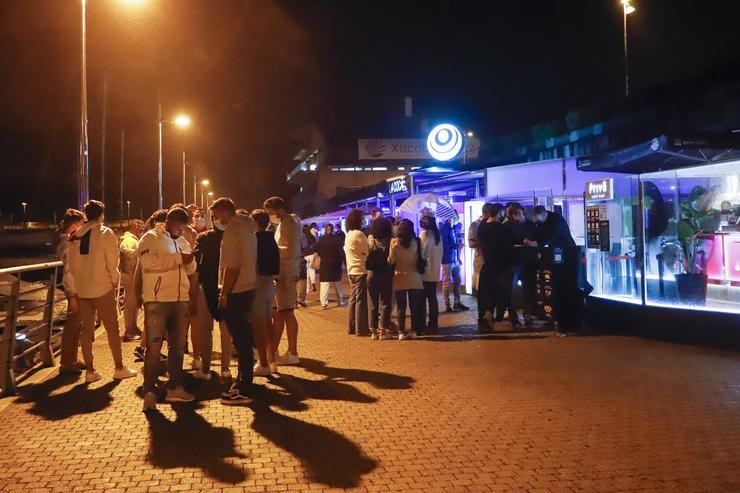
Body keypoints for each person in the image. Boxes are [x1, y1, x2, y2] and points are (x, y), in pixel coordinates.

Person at [64, 200, 137, 383]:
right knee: (113, 329)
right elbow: (112, 262)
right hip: (102, 288)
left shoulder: (73, 237)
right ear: (102, 214)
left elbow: (70, 268)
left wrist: (74, 290)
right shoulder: (105, 232)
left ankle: (90, 371)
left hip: (82, 290)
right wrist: (114, 281)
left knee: (86, 331)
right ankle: (119, 367)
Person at [138, 207, 198, 411]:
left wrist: (190, 263)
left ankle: (175, 387)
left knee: (178, 347)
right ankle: (150, 392)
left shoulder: (183, 241)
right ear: (169, 222)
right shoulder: (150, 238)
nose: (182, 230)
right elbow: (147, 262)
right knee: (154, 349)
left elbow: (190, 268)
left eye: (185, 226)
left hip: (180, 300)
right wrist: (179, 259)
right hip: (157, 300)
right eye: (180, 226)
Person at [210, 197, 258, 405]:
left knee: (240, 339)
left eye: (216, 214)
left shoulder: (232, 231)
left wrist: (224, 293)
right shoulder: (248, 228)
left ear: (224, 211)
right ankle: (245, 381)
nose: (215, 219)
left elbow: (232, 266)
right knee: (244, 338)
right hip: (249, 287)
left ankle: (244, 386)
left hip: (237, 290)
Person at [190, 217, 234, 381]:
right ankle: (226, 369)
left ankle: (206, 369)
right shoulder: (234, 237)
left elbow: (195, 265)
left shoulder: (204, 237)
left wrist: (193, 290)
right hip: (228, 289)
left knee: (205, 331)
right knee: (226, 332)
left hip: (206, 288)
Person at [528, 205, 580, 335]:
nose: (536, 221)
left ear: (543, 214)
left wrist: (536, 243)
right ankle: (555, 318)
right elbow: (540, 236)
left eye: (537, 218)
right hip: (555, 256)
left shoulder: (556, 220)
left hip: (566, 255)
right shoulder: (544, 222)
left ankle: (564, 321)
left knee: (563, 289)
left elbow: (549, 237)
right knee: (556, 288)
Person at [263, 196, 302, 366]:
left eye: (270, 213)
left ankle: (292, 352)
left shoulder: (289, 223)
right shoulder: (285, 223)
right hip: (282, 273)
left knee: (286, 312)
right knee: (279, 314)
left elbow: (290, 249)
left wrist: (272, 249)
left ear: (278, 209)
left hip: (285, 273)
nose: (270, 216)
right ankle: (274, 352)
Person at [134, 209, 168, 362]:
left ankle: (143, 348)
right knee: (157, 323)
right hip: (158, 289)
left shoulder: (146, 238)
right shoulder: (157, 239)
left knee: (152, 322)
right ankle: (149, 353)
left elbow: (139, 268)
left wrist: (137, 291)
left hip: (150, 289)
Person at [250, 209, 280, 376]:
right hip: (270, 282)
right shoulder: (271, 238)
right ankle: (272, 359)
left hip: (258, 282)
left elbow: (253, 263)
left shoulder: (255, 239)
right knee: (268, 323)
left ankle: (262, 363)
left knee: (258, 324)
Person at [476, 203, 514, 332]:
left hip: (487, 265)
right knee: (499, 294)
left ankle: (484, 318)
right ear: (499, 213)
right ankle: (495, 319)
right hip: (500, 267)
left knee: (485, 294)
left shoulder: (482, 226)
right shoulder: (502, 230)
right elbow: (509, 248)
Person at [57, 208, 86, 374]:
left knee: (76, 325)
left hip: (76, 288)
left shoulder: (69, 241)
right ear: (75, 224)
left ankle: (73, 358)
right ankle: (66, 363)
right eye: (82, 224)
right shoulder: (68, 242)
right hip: (73, 289)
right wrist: (72, 294)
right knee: (72, 326)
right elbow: (69, 271)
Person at [388, 219, 424, 340]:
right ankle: (414, 331)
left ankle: (401, 332)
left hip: (399, 277)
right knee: (414, 307)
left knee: (401, 307)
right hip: (414, 277)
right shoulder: (417, 242)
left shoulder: (394, 242)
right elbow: (422, 258)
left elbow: (391, 260)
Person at [505, 203, 537, 328]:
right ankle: (514, 317)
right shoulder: (508, 225)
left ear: (522, 212)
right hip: (513, 262)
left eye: (517, 214)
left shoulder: (530, 225)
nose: (516, 217)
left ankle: (528, 315)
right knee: (511, 291)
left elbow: (536, 240)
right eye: (513, 214)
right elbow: (507, 242)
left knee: (529, 289)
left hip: (528, 261)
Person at [367, 215, 394, 340]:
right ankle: (383, 329)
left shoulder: (370, 239)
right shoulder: (390, 241)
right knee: (385, 302)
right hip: (386, 273)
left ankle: (373, 331)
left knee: (373, 302)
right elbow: (391, 259)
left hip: (372, 274)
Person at [344, 209, 369, 336]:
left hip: (351, 270)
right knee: (361, 300)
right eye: (363, 218)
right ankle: (362, 329)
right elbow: (367, 250)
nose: (364, 220)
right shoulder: (359, 234)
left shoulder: (349, 234)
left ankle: (352, 327)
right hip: (360, 270)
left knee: (353, 299)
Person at [120, 219, 143, 341]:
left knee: (134, 302)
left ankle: (133, 327)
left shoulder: (132, 239)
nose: (141, 229)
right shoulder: (129, 240)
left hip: (132, 274)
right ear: (133, 227)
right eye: (139, 227)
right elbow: (127, 253)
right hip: (130, 274)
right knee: (131, 302)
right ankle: (129, 330)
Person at [419, 214, 443, 334]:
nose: (422, 220)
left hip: (424, 274)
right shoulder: (438, 236)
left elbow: (421, 253)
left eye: (424, 218)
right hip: (434, 273)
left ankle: (423, 325)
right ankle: (433, 324)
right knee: (433, 300)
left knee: (422, 301)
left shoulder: (424, 235)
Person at [440, 218, 467, 312]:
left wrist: (458, 256)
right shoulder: (444, 230)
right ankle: (447, 304)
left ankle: (457, 302)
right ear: (449, 218)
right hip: (447, 259)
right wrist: (457, 246)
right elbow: (445, 246)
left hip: (454, 259)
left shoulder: (452, 228)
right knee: (446, 282)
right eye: (455, 217)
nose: (457, 219)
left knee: (457, 280)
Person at [317, 223, 344, 310]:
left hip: (325, 264)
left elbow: (317, 251)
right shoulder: (338, 239)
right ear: (332, 230)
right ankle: (340, 301)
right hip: (336, 264)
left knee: (324, 285)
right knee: (337, 284)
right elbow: (341, 252)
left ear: (325, 230)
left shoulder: (321, 239)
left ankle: (324, 304)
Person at [298, 224, 318, 306]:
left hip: (304, 255)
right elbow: (314, 245)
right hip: (311, 254)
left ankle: (307, 288)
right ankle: (313, 282)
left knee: (305, 273)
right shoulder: (312, 236)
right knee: (311, 269)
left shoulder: (299, 235)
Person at [468, 209, 486, 295]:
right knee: (480, 287)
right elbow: (471, 243)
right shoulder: (475, 224)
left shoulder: (487, 224)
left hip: (488, 259)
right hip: (480, 258)